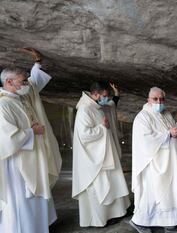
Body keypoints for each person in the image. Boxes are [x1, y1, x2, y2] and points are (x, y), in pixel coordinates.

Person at [0, 48, 62, 233]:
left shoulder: (21, 96)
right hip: (17, 164)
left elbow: (34, 83)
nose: (27, 84)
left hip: (34, 156)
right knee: (21, 201)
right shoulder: (3, 105)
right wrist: (31, 132)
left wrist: (37, 63)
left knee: (36, 198)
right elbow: (6, 137)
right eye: (23, 81)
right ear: (9, 82)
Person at [130, 87, 177, 233]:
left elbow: (175, 127)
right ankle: (140, 221)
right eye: (155, 99)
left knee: (170, 191)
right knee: (152, 193)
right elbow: (145, 141)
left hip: (170, 161)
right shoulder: (142, 117)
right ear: (148, 100)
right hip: (153, 164)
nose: (159, 102)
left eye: (162, 99)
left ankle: (169, 219)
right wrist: (168, 134)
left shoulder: (167, 113)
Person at [72, 82, 130, 227]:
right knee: (99, 188)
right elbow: (84, 135)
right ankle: (101, 218)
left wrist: (116, 95)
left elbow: (110, 106)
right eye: (104, 96)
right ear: (95, 94)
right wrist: (102, 128)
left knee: (112, 183)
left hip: (105, 155)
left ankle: (116, 213)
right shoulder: (85, 109)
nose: (106, 98)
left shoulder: (96, 105)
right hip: (94, 158)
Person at [96, 81, 123, 158]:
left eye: (108, 96)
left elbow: (115, 99)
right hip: (102, 139)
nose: (107, 98)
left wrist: (116, 90)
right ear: (98, 95)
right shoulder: (95, 109)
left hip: (113, 136)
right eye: (104, 96)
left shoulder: (110, 106)